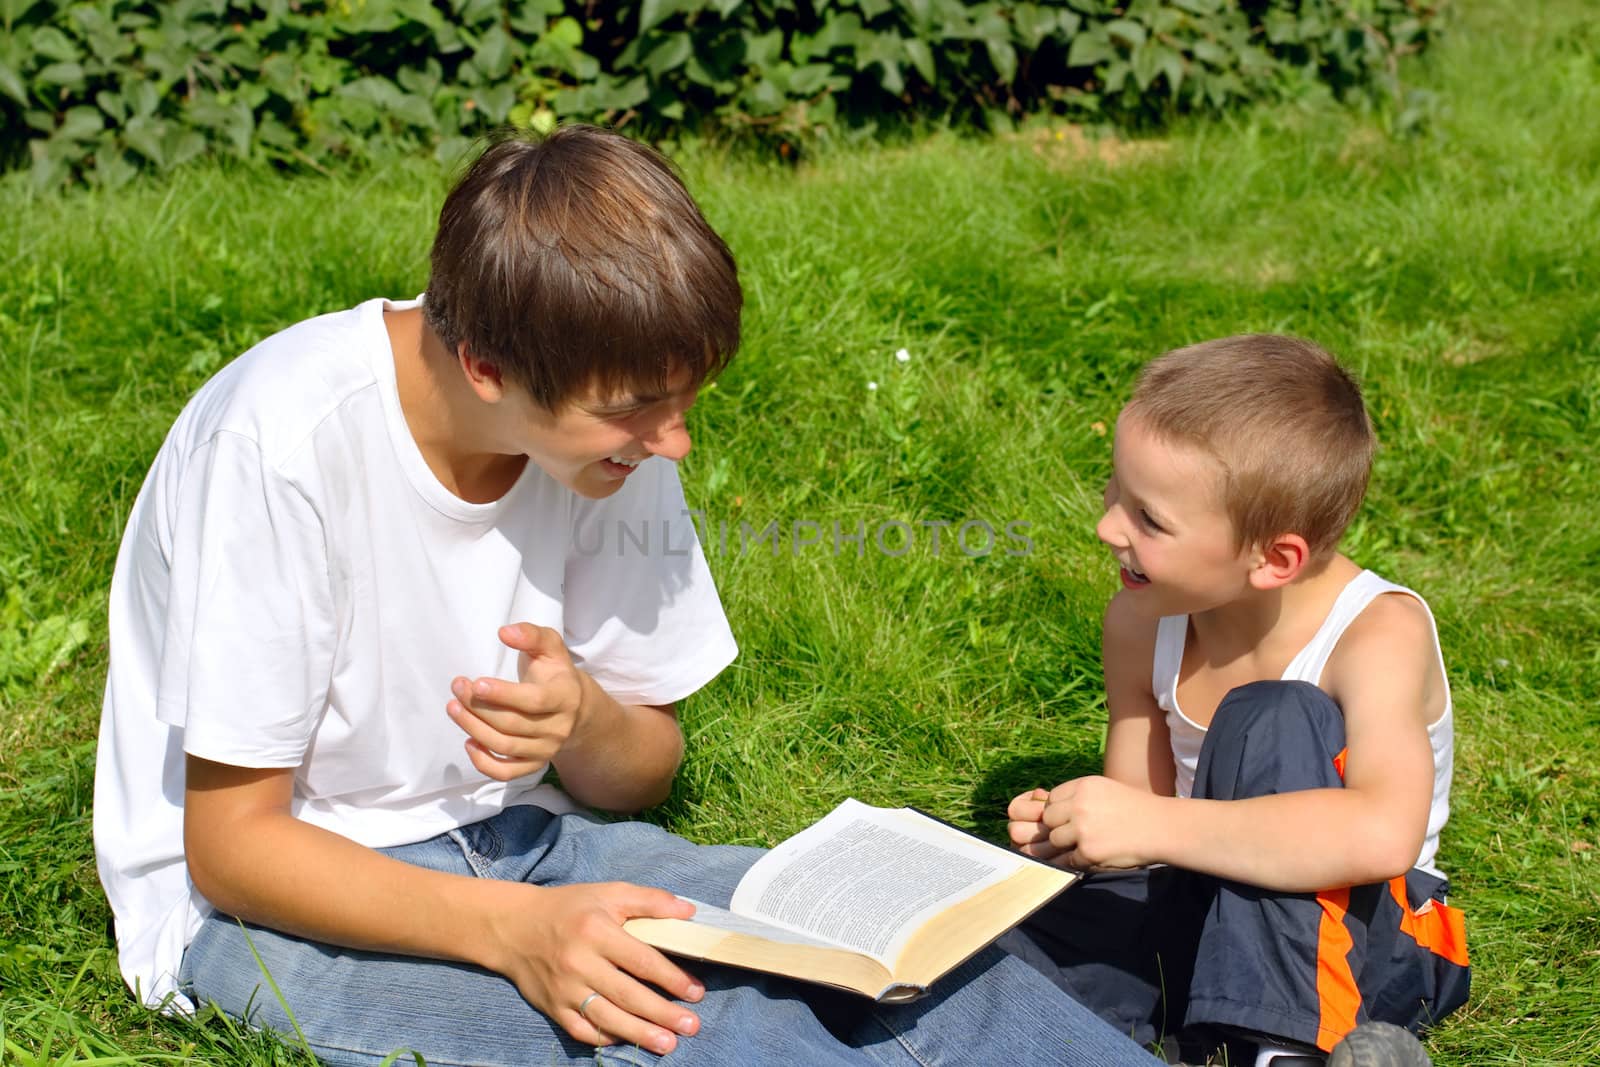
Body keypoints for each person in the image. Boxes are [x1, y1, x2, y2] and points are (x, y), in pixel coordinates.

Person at [93, 124, 1155, 1067]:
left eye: (684, 401)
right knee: (711, 1029)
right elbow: (233, 850)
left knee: (904, 962)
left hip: (524, 837)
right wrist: (512, 932)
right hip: (270, 908)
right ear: (486, 365)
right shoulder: (281, 444)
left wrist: (585, 718)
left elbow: (642, 770)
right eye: (640, 411)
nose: (673, 441)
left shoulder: (605, 431)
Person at [1001, 335, 1470, 1067]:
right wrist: (1078, 830)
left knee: (1272, 714)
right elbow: (1140, 822)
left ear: (1273, 558)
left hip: (1372, 931)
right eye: (1114, 488)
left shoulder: (1377, 631)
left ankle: (1286, 1053)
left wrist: (1152, 823)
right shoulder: (1138, 619)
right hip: (1211, 900)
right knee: (990, 924)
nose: (1108, 525)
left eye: (1149, 519)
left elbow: (1383, 835)